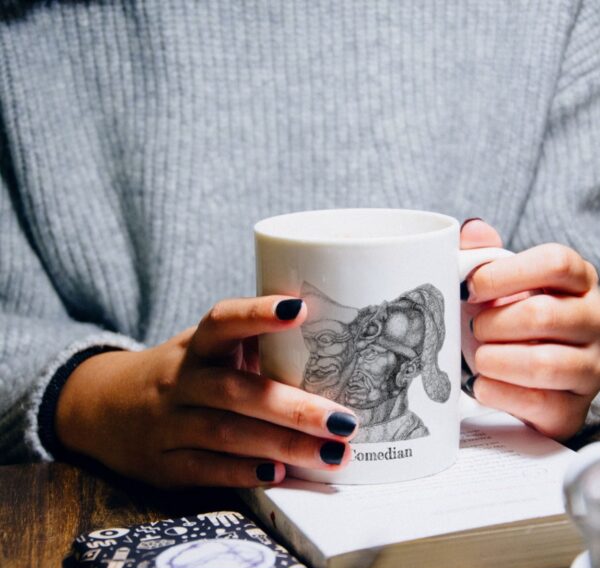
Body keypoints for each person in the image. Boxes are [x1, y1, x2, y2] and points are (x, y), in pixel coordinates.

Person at [1, 1, 599, 488]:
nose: (370, 363)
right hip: (107, 497)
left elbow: (579, 277)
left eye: (393, 352)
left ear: (416, 369)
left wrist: (559, 356)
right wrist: (94, 398)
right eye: (366, 340)